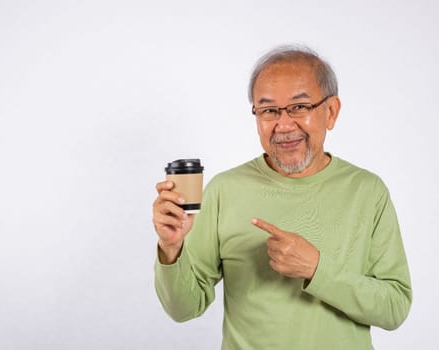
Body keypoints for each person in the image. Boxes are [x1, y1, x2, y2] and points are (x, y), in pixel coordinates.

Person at [152, 44, 412, 349]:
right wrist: (170, 249)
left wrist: (317, 269)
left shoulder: (368, 191)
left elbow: (394, 308)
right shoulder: (224, 190)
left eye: (299, 107)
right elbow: (183, 308)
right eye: (269, 111)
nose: (284, 125)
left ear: (331, 112)